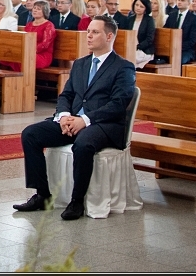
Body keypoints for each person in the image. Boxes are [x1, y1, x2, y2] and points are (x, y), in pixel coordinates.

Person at [14, 16, 136, 221]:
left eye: (95, 32)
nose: (88, 35)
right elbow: (67, 95)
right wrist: (63, 116)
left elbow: (118, 104)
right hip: (72, 119)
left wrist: (85, 120)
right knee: (31, 134)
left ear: (109, 36)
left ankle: (77, 201)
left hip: (103, 124)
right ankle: (43, 195)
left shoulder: (123, 67)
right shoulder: (80, 64)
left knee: (83, 143)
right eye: (88, 31)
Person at [165, 0, 196, 65]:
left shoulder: (194, 18)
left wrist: (177, 47)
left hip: (186, 50)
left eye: (183, 1)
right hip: (171, 48)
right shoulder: (172, 15)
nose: (179, 2)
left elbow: (192, 40)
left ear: (189, 3)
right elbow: (165, 32)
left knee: (178, 60)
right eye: (179, 0)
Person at [27, 1, 57, 70]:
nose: (35, 10)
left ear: (44, 11)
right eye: (34, 8)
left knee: (25, 57)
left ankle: (26, 79)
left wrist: (29, 50)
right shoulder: (29, 24)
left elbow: (45, 45)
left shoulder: (49, 25)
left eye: (38, 9)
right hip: (29, 52)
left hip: (42, 55)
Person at [129, 0, 156, 70]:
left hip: (144, 50)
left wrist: (137, 47)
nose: (138, 8)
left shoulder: (149, 20)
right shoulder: (130, 19)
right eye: (137, 5)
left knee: (130, 58)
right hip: (131, 49)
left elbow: (149, 39)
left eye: (141, 6)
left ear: (146, 8)